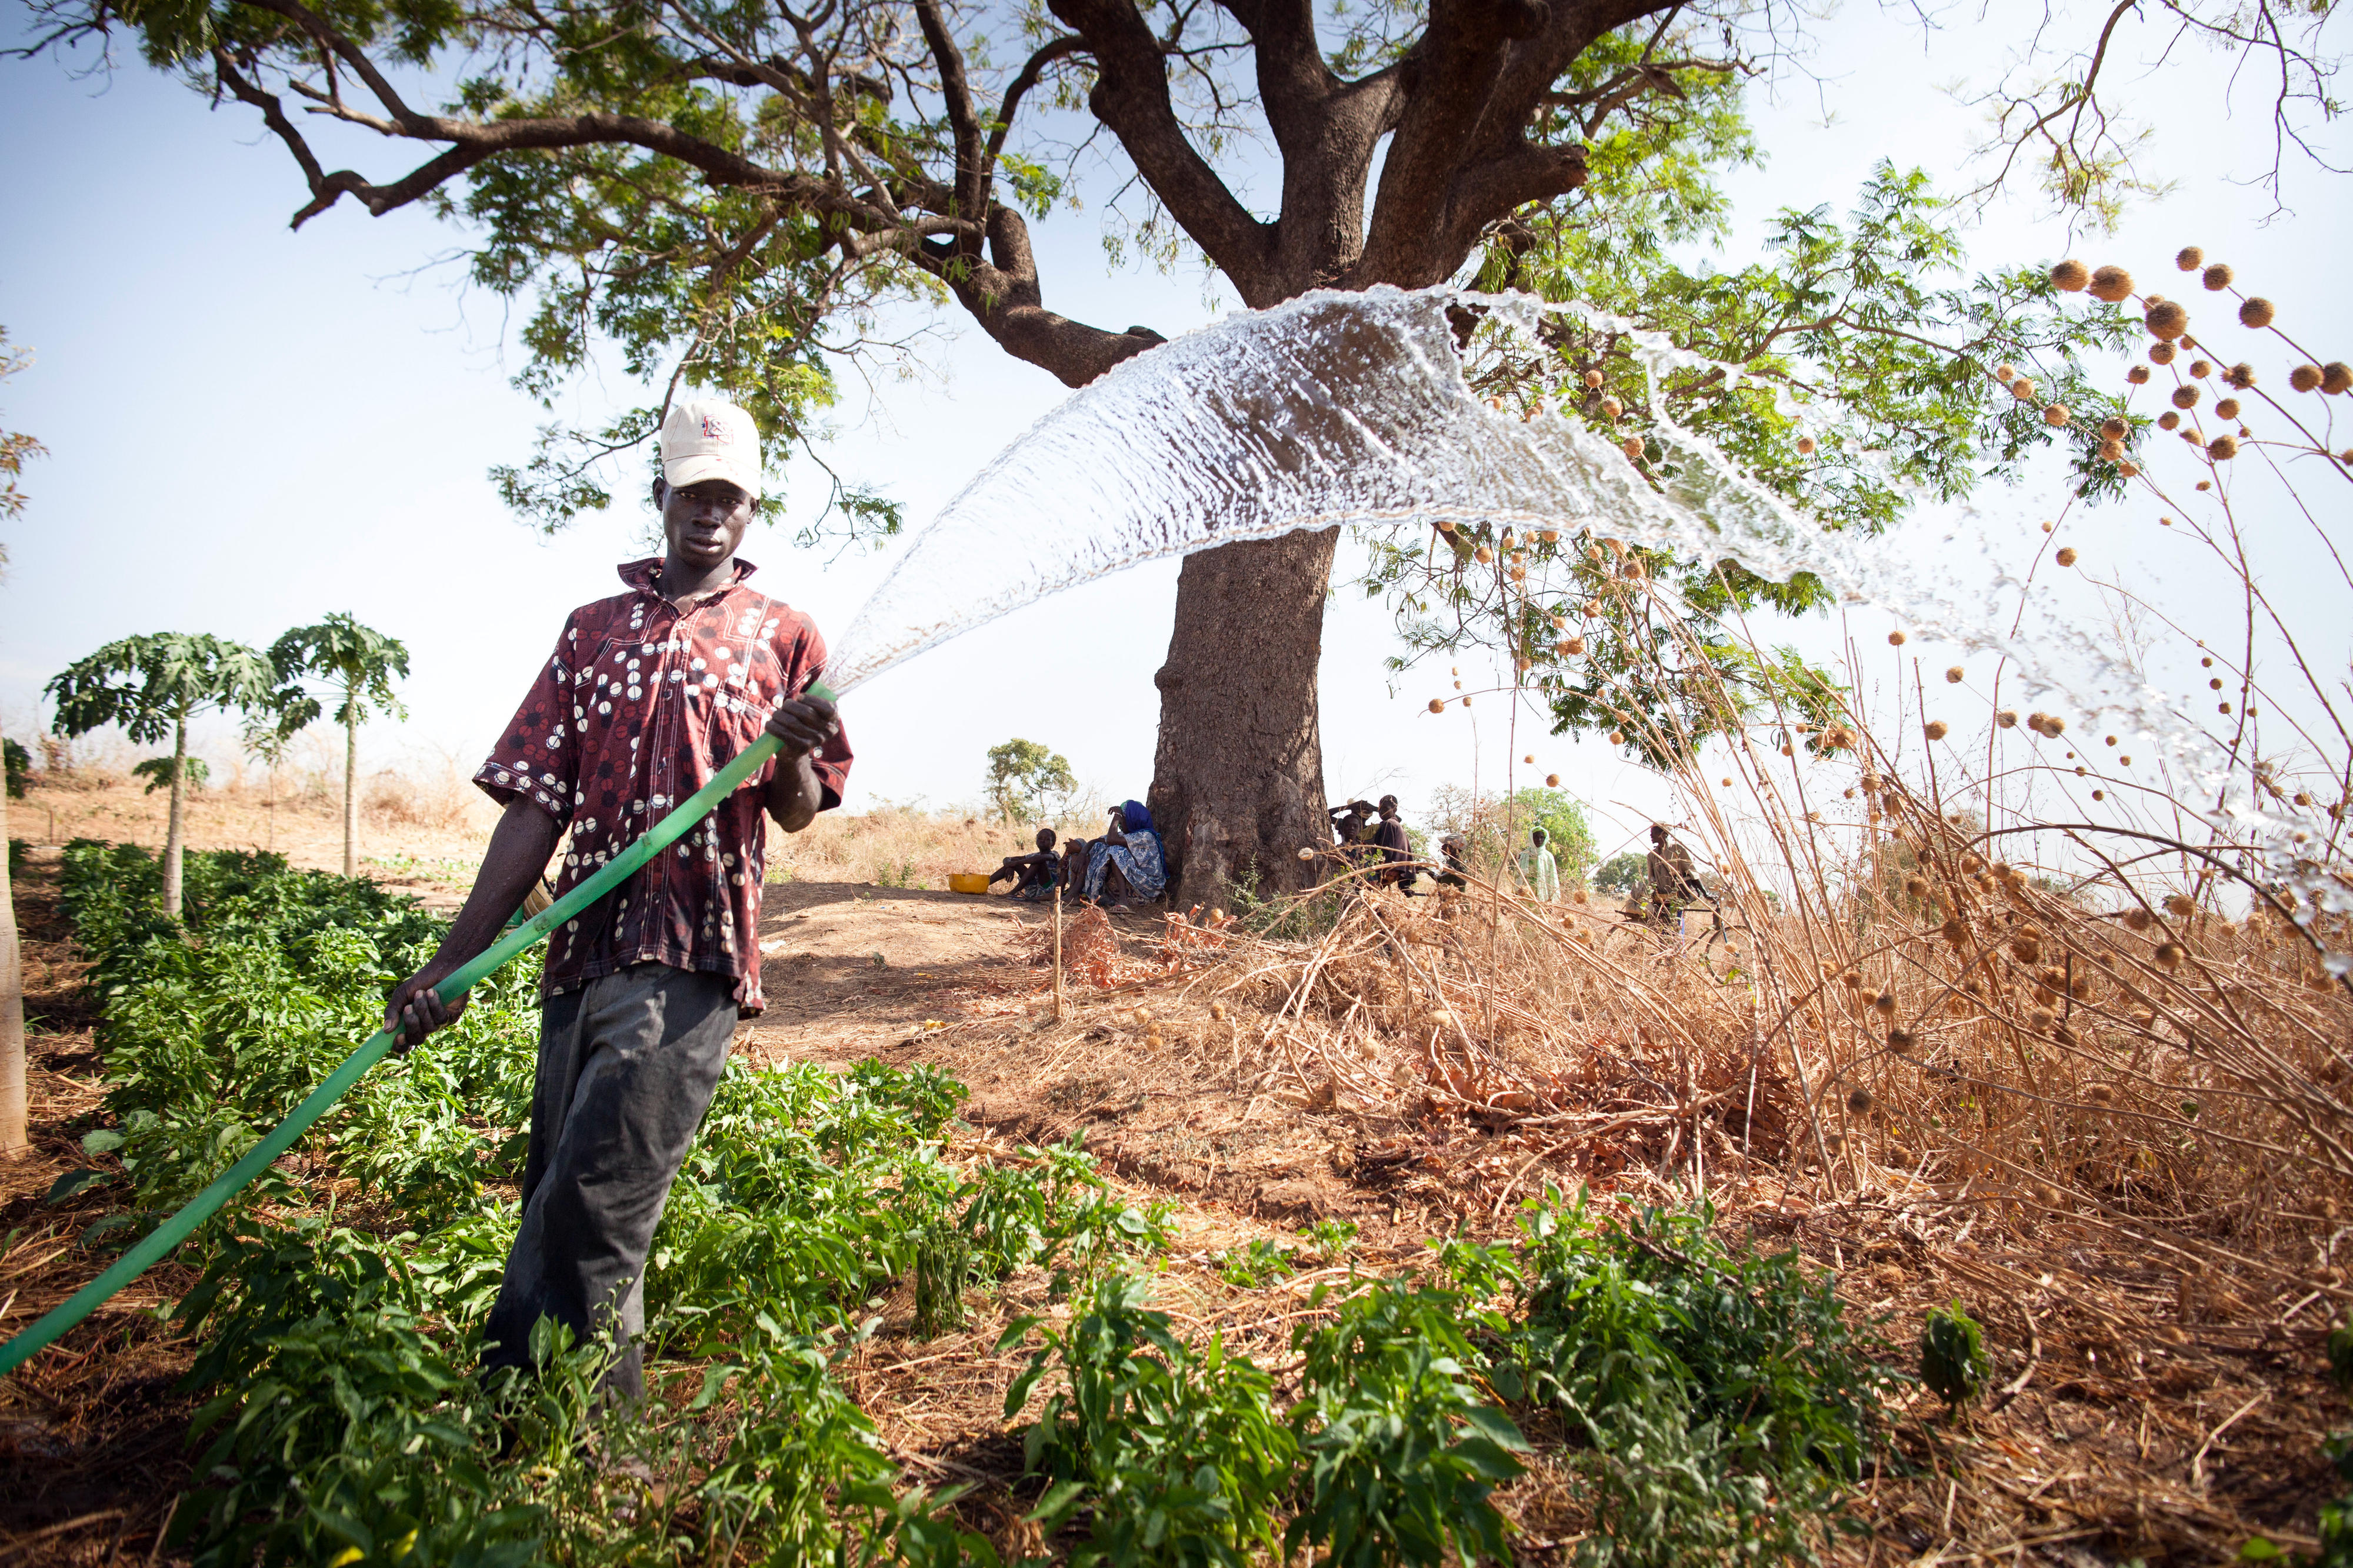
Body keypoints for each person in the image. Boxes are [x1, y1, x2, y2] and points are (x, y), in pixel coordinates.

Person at [382, 398, 850, 1406]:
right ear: (662, 498)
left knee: (593, 1209)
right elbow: (533, 810)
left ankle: (518, 1431)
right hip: (578, 960)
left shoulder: (787, 635)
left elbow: (799, 811)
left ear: (751, 509)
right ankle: (603, 1451)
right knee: (568, 1206)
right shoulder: (593, 630)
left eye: (727, 496)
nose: (709, 512)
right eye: (692, 493)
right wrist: (451, 966)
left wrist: (798, 751)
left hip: (691, 959)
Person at [1082, 799, 1168, 905]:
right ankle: (1091, 894)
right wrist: (1083, 853)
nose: (1120, 825)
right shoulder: (1128, 835)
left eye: (1123, 820)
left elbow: (1111, 840)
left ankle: (1123, 902)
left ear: (1133, 819)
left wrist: (1117, 816)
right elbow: (1099, 841)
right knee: (1101, 847)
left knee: (1116, 851)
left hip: (1148, 890)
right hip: (1136, 885)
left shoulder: (1146, 836)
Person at [1646, 823, 1710, 925]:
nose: (1651, 836)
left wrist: (1705, 893)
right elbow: (1651, 879)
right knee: (1663, 930)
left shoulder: (1677, 850)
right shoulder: (1651, 856)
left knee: (1676, 928)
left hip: (1677, 898)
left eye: (1654, 833)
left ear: (1664, 833)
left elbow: (1692, 872)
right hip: (1662, 900)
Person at [989, 828, 1061, 900]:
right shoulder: (1034, 855)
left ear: (1053, 843)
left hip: (1047, 889)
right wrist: (1010, 867)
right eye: (1040, 838)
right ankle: (985, 884)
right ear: (1036, 841)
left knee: (1038, 861)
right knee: (1015, 860)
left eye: (1047, 839)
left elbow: (1041, 858)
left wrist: (1015, 863)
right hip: (1032, 889)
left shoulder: (1054, 854)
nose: (1042, 840)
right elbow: (1008, 859)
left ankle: (1013, 892)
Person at [1370, 795, 1414, 889]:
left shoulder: (1389, 824)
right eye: (1380, 809)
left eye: (1385, 808)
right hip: (1398, 870)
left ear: (1395, 810)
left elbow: (1386, 851)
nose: (1382, 811)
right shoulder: (1396, 824)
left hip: (1389, 870)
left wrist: (1379, 871)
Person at [1515, 826, 1561, 903]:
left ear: (1545, 838)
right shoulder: (1523, 855)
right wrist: (1515, 893)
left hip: (1543, 897)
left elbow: (1553, 879)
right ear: (1531, 838)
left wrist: (1552, 900)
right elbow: (1517, 876)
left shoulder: (1548, 857)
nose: (1539, 840)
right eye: (1536, 837)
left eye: (1542, 837)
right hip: (1525, 896)